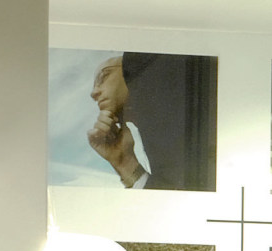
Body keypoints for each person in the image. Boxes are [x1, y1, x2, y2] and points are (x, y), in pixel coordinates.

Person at [85, 51, 215, 191]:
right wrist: (124, 163)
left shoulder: (153, 69)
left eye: (103, 76)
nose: (94, 93)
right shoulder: (160, 124)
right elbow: (180, 197)